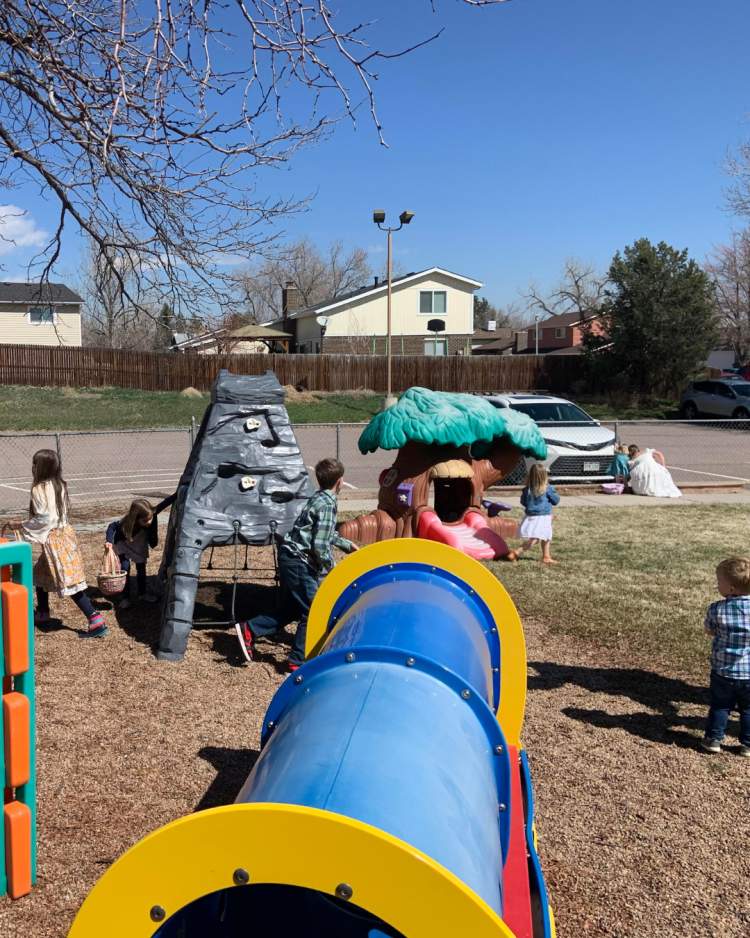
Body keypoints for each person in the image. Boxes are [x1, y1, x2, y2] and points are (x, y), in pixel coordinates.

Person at [235, 457, 357, 671]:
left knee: (291, 608)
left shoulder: (318, 497)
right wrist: (332, 568)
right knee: (312, 610)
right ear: (340, 482)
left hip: (290, 557)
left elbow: (324, 533)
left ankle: (250, 629)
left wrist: (347, 545)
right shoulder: (328, 504)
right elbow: (320, 544)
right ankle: (297, 661)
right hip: (299, 561)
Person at [3, 449, 106, 637]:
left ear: (41, 467)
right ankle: (43, 612)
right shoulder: (60, 485)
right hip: (66, 535)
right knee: (40, 575)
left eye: (35, 464)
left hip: (55, 539)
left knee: (68, 581)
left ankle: (95, 619)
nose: (33, 467)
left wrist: (22, 525)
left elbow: (45, 519)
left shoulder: (39, 489)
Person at [701, 557, 750, 757]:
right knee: (748, 710)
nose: (717, 584)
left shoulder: (717, 609)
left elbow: (709, 630)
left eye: (719, 581)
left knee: (720, 706)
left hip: (723, 671)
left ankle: (713, 739)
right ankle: (747, 745)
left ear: (731, 588)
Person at [105, 498, 162, 608]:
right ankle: (125, 597)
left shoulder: (149, 515)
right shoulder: (126, 523)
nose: (149, 522)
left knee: (141, 569)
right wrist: (109, 541)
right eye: (145, 520)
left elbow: (164, 504)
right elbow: (112, 526)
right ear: (136, 518)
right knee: (125, 569)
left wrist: (178, 494)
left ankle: (142, 594)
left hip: (139, 545)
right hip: (124, 545)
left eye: (150, 519)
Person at [514, 463, 560, 564]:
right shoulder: (548, 488)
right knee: (536, 538)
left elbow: (523, 502)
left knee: (545, 536)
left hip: (531, 516)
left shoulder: (527, 489)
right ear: (544, 476)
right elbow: (556, 501)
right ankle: (517, 552)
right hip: (543, 517)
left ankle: (546, 556)